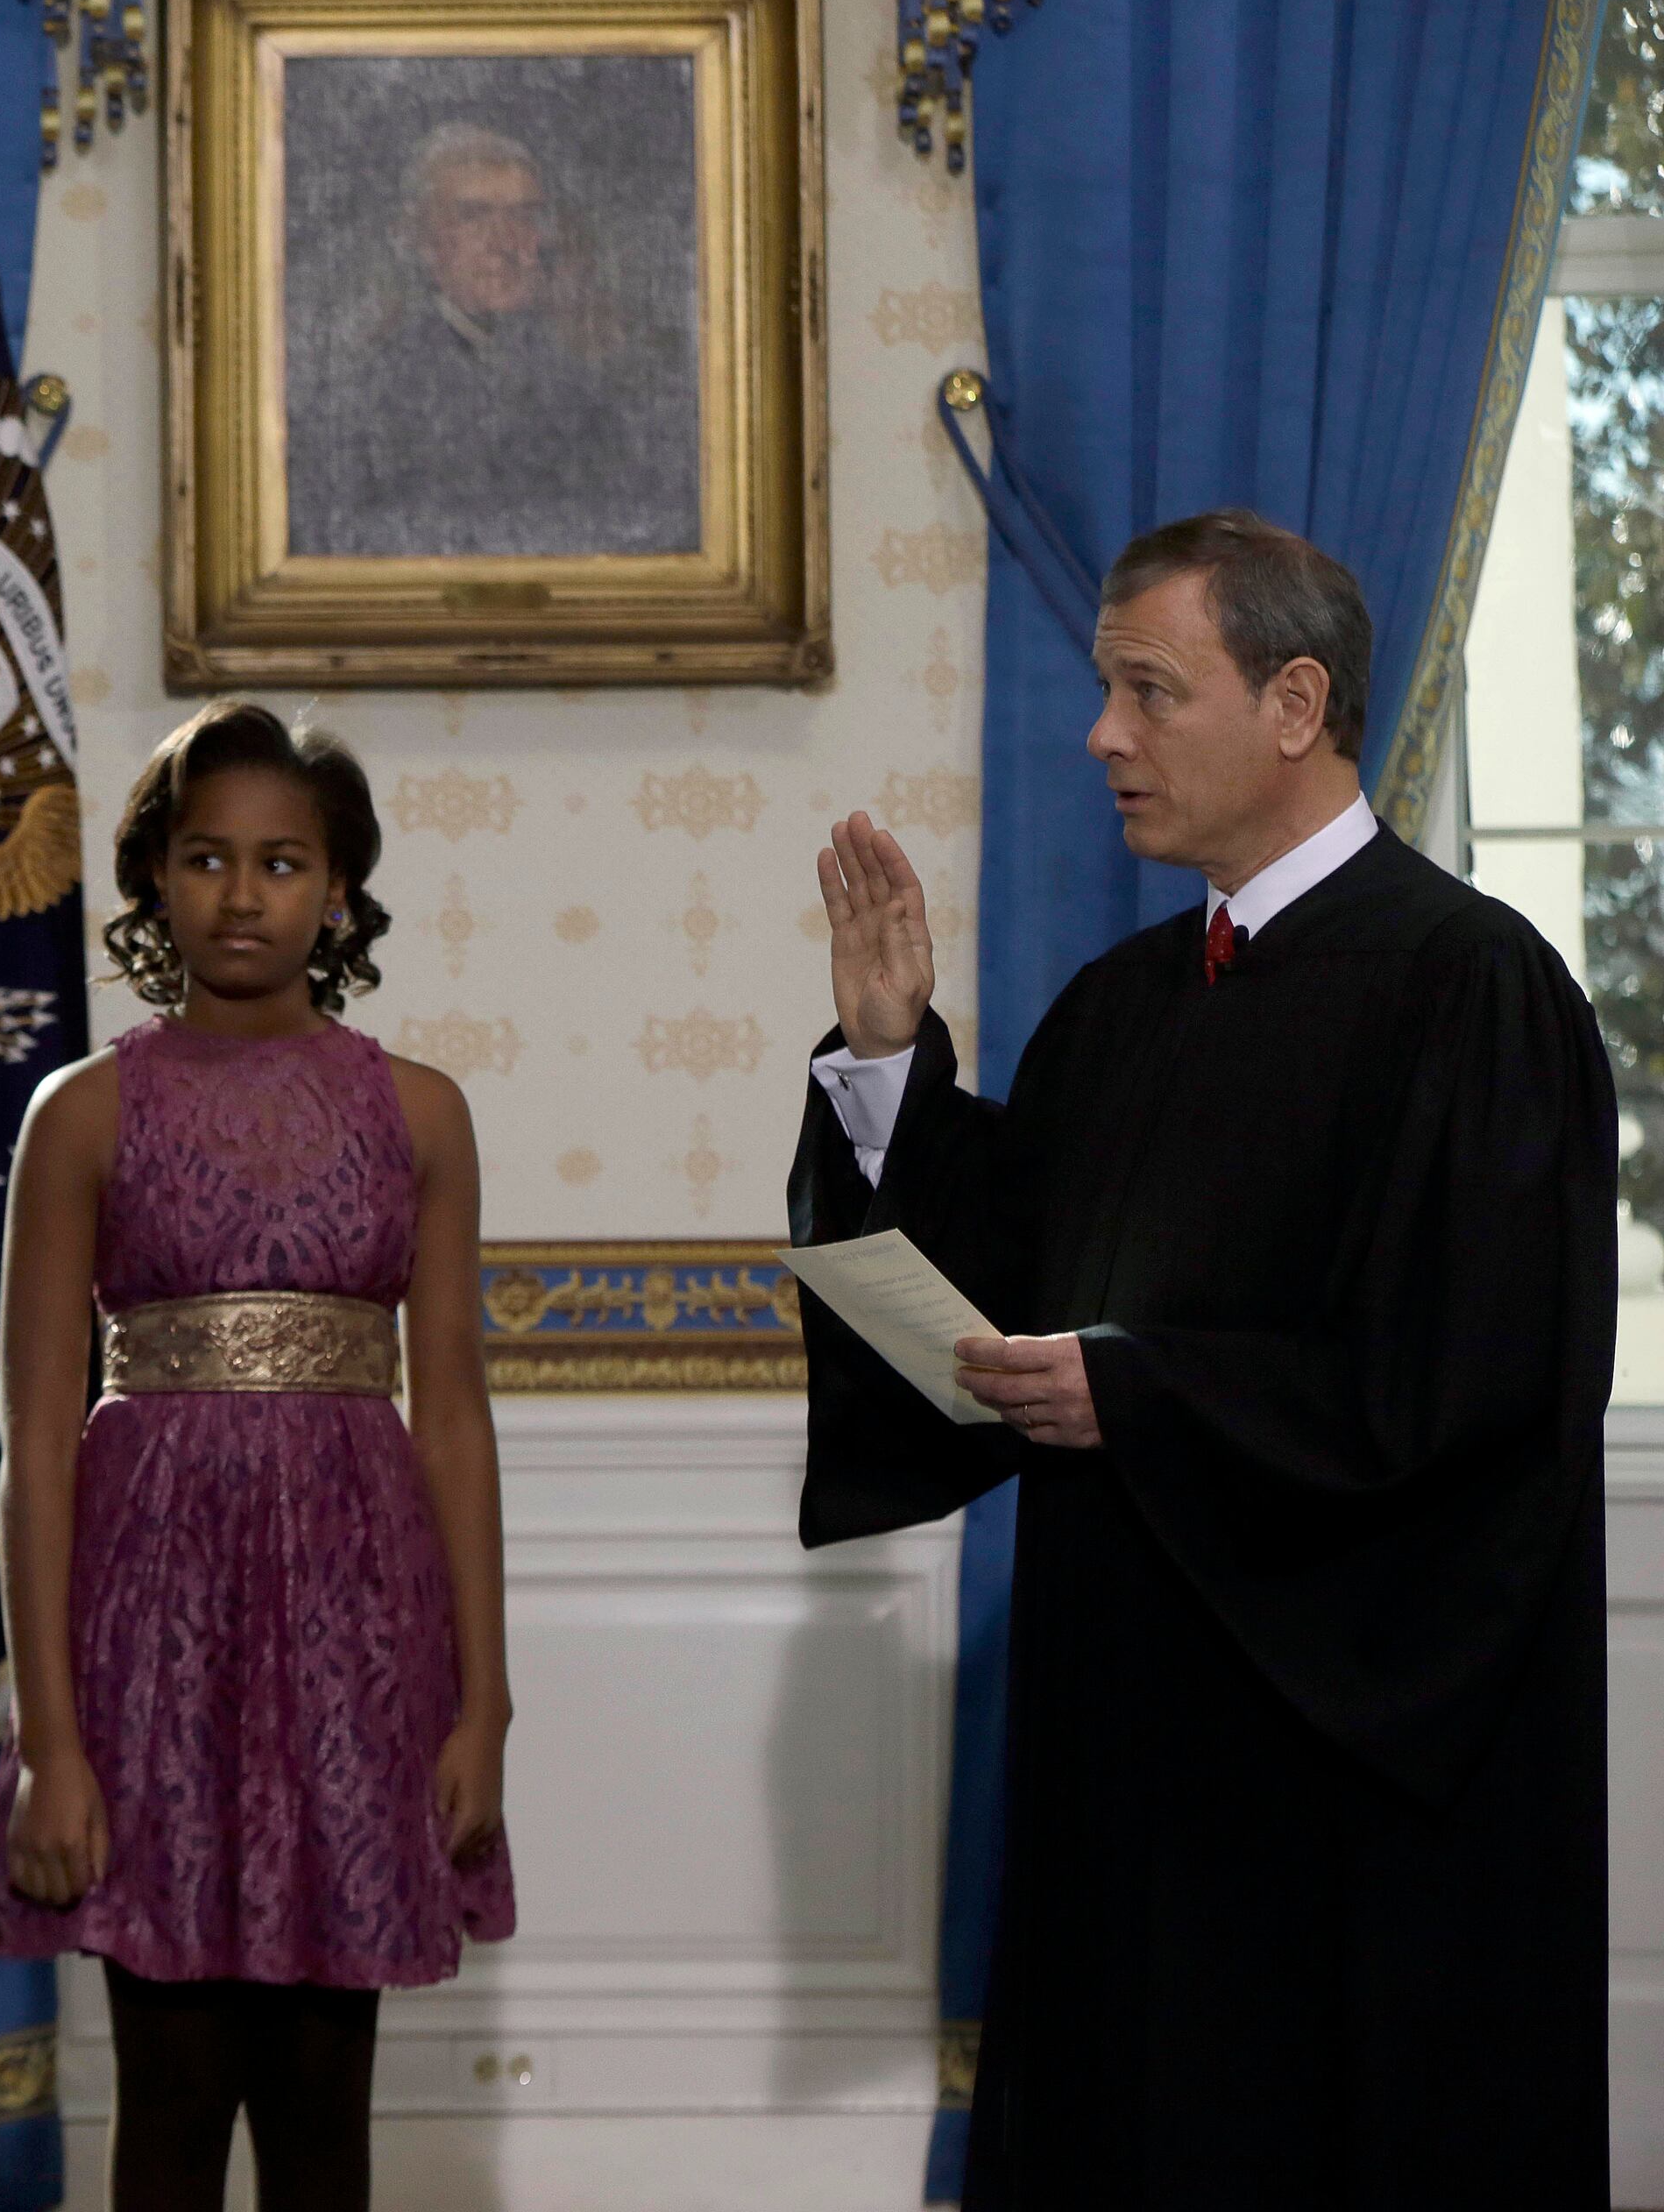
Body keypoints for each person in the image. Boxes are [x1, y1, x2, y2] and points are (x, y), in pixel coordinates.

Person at [796, 508, 1611, 2208]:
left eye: (1148, 691)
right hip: (1129, 1725)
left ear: (1296, 701)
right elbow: (996, 1282)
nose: (1102, 734)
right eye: (1105, 691)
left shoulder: (1474, 988)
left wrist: (1143, 1393)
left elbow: (1479, 1378)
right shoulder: (1127, 999)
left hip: (1347, 1771)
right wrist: (887, 1068)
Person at [0, 703, 516, 2211]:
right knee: (170, 2110)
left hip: (358, 1639)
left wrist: (488, 1702)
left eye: (283, 863)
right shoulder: (80, 1114)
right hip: (151, 1648)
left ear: (338, 889)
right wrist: (54, 1745)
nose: (244, 893)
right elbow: (31, 1436)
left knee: (326, 2121)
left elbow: (454, 1417)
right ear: (152, 878)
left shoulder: (420, 1116)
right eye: (207, 858)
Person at [286, 120, 696, 559]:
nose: (505, 243)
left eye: (524, 215)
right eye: (473, 215)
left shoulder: (592, 369)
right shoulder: (368, 389)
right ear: (419, 238)